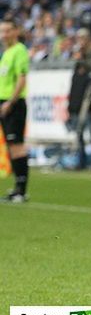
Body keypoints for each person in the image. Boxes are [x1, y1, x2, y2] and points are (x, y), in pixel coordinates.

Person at [0, 19, 30, 203]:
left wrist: (10, 102)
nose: (4, 34)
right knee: (11, 147)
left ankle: (22, 190)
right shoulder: (6, 53)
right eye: (2, 31)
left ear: (16, 31)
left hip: (14, 104)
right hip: (4, 102)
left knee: (17, 145)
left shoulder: (19, 50)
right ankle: (17, 188)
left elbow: (21, 78)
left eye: (8, 30)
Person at [67, 60, 91, 170]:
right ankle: (81, 162)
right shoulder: (76, 78)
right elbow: (72, 95)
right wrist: (71, 109)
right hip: (77, 111)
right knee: (80, 137)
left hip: (88, 112)